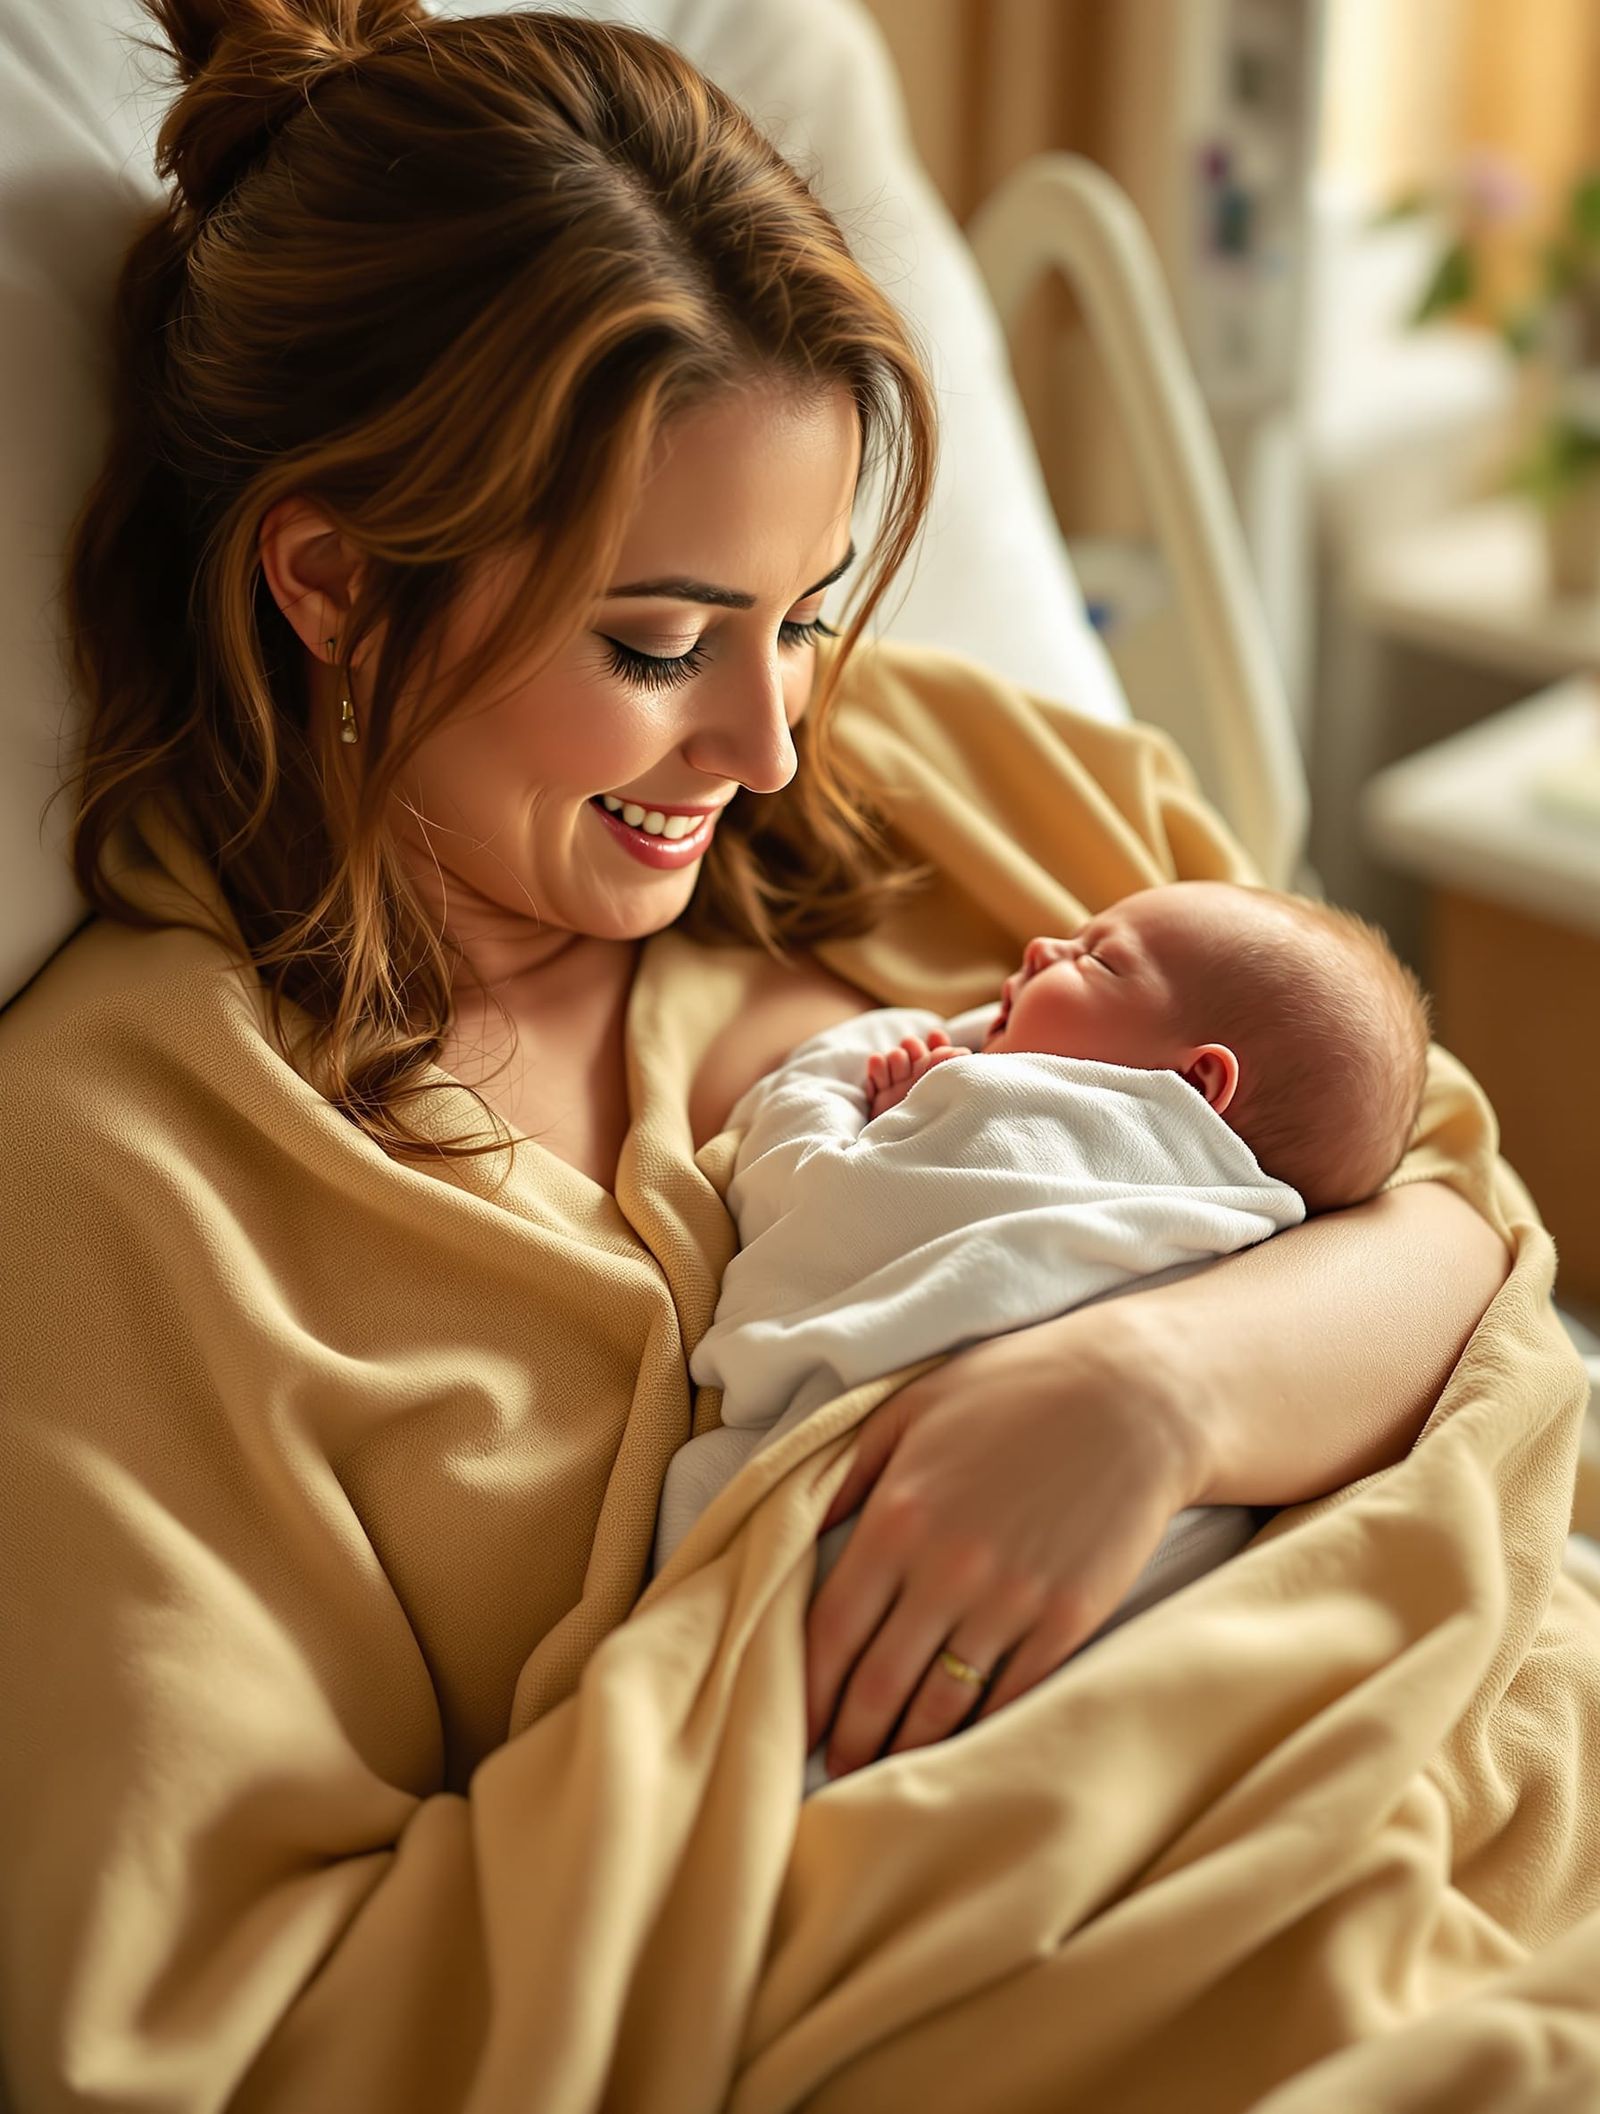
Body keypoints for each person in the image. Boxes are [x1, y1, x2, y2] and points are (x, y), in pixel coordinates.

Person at [9, 5, 1581, 2110]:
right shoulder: (143, 1168)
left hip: (1488, 1787)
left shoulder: (957, 791)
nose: (761, 747)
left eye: (804, 609)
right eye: (658, 644)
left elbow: (1462, 1230)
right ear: (330, 581)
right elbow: (230, 2015)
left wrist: (1153, 1390)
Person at [652, 881, 1432, 1794]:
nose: (1038, 949)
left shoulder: (1032, 1119)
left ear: (1196, 1083)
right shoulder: (1255, 1214)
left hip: (934, 1546)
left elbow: (811, 1205)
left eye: (1094, 959)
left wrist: (866, 1096)